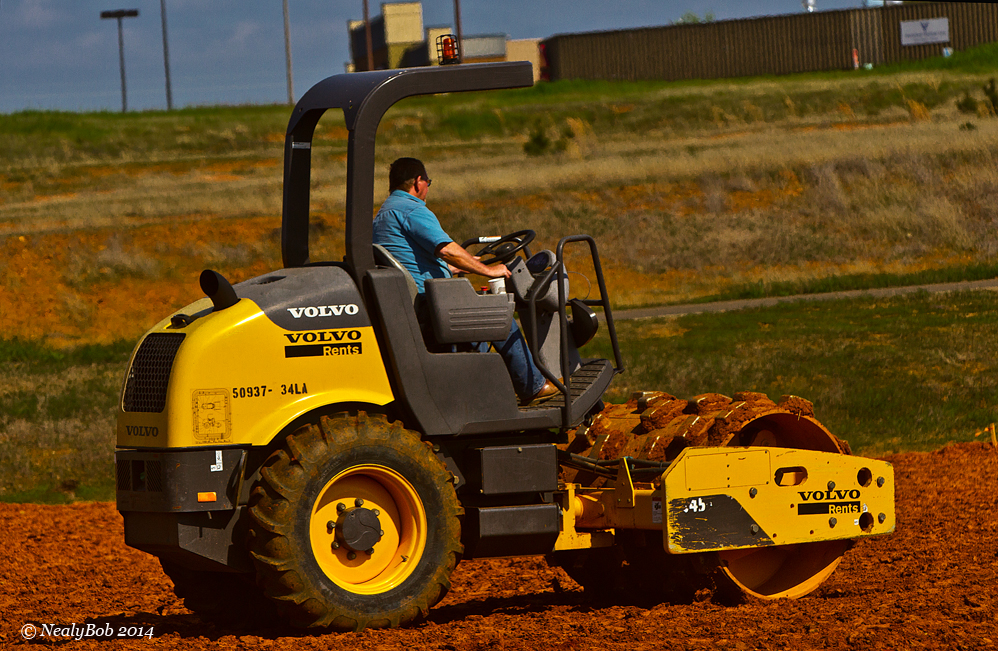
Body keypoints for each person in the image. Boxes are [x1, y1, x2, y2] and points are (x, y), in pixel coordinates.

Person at [372, 157, 558, 406]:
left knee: (485, 318)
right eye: (428, 182)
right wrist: (488, 270)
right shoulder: (411, 210)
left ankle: (486, 389)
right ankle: (532, 387)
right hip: (430, 307)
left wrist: (456, 268)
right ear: (418, 182)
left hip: (414, 304)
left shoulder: (383, 215)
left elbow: (413, 259)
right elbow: (447, 249)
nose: (428, 188)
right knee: (498, 316)